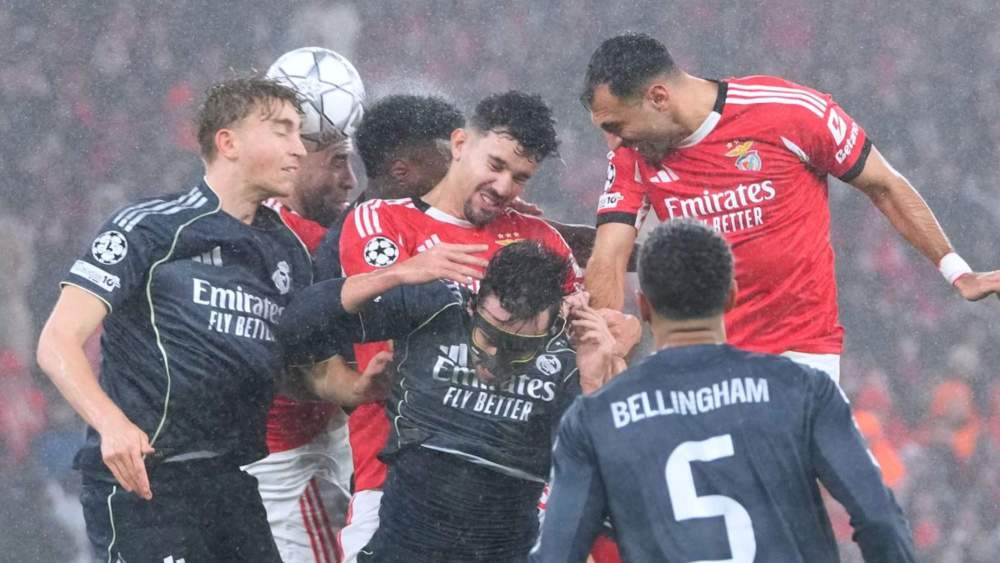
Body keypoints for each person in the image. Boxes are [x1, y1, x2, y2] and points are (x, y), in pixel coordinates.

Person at [582, 33, 1000, 382]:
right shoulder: (632, 155)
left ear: (658, 97)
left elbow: (884, 185)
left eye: (615, 126)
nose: (613, 142)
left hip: (799, 359)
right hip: (703, 359)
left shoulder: (787, 112)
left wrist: (957, 271)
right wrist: (604, 338)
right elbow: (608, 255)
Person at [35, 78, 312, 561]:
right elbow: (57, 341)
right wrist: (112, 426)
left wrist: (362, 385)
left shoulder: (288, 253)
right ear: (228, 143)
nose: (300, 149)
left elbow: (295, 373)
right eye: (282, 131)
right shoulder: (150, 227)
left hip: (231, 485)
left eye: (300, 133)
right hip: (147, 485)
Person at [531, 220, 918, 563]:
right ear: (731, 296)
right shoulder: (803, 390)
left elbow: (556, 554)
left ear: (644, 307)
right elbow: (879, 519)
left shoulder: (594, 418)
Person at [332, 90, 585, 562]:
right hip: (393, 485)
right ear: (460, 143)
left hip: (510, 501)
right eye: (496, 164)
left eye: (520, 177)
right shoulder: (382, 222)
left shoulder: (541, 240)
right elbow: (386, 318)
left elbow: (578, 350)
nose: (505, 186)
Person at [280, 241, 628, 561]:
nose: (495, 358)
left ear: (551, 328)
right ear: (473, 304)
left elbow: (600, 487)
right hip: (403, 548)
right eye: (489, 335)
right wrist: (393, 275)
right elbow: (296, 327)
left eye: (519, 348)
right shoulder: (437, 307)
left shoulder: (571, 354)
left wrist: (594, 381)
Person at [244, 47, 369, 563]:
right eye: (337, 160)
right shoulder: (301, 241)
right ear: (295, 154)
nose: (351, 179)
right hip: (293, 463)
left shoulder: (262, 219)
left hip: (309, 446)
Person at [312, 93, 465, 282]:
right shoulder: (347, 250)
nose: (461, 174)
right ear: (401, 173)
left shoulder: (448, 220)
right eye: (450, 164)